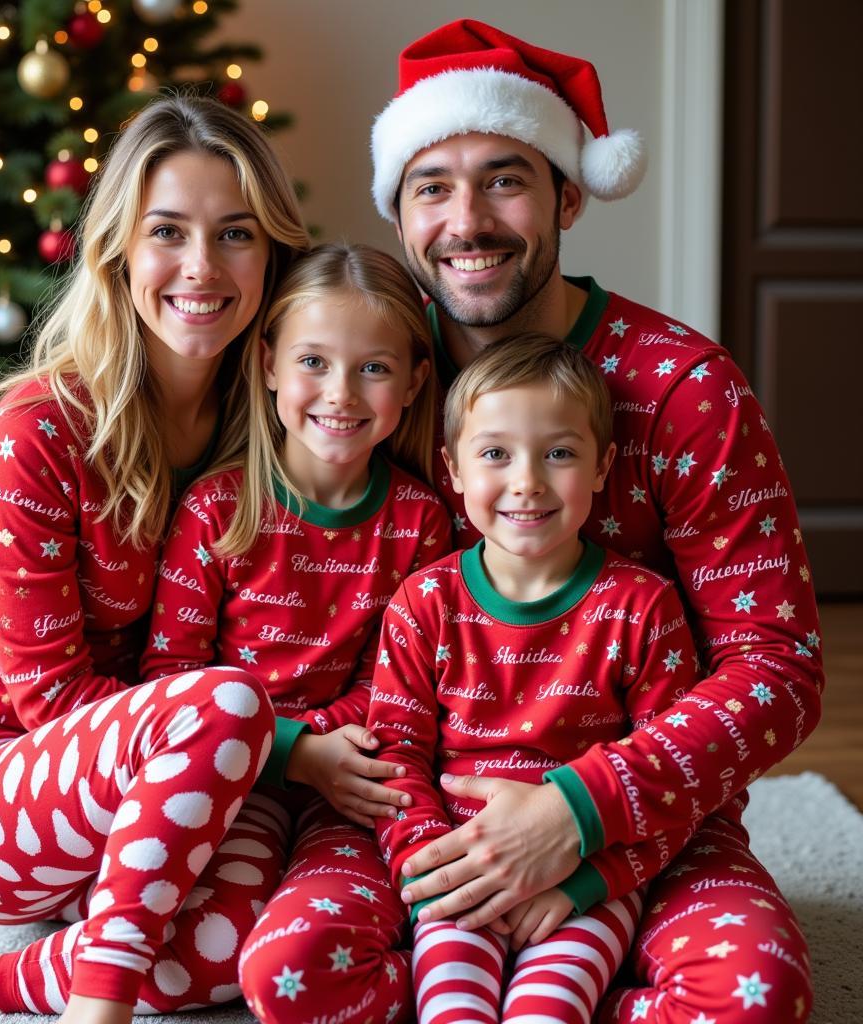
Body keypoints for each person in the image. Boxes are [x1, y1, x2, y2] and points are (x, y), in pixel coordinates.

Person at [368, 18, 820, 1022]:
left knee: (755, 999)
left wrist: (584, 810)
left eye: (505, 178)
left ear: (568, 193)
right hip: (411, 817)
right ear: (399, 213)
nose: (467, 218)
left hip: (648, 816)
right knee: (291, 971)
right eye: (431, 185)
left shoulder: (681, 389)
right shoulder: (366, 381)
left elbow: (778, 668)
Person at [0, 94, 310, 1024]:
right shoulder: (40, 430)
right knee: (230, 703)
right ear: (118, 251)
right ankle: (97, 1005)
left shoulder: (278, 420)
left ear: (276, 255)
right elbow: (49, 700)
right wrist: (287, 747)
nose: (202, 268)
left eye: (236, 234)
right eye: (167, 231)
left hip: (179, 778)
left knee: (261, 949)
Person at [137, 242, 452, 1024]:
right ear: (271, 363)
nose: (341, 394)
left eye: (374, 369)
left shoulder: (419, 523)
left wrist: (327, 758)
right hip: (229, 781)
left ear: (414, 382)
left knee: (313, 950)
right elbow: (168, 680)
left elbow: (405, 684)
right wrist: (291, 752)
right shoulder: (216, 512)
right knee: (171, 959)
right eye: (314, 361)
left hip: (357, 783)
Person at [370, 336, 703, 1024]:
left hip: (587, 876)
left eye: (559, 453)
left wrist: (590, 882)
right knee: (452, 1009)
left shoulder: (643, 606)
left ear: (603, 466)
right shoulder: (423, 603)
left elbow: (674, 782)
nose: (527, 481)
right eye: (495, 454)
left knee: (549, 1012)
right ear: (454, 469)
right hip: (457, 870)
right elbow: (395, 758)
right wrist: (438, 872)